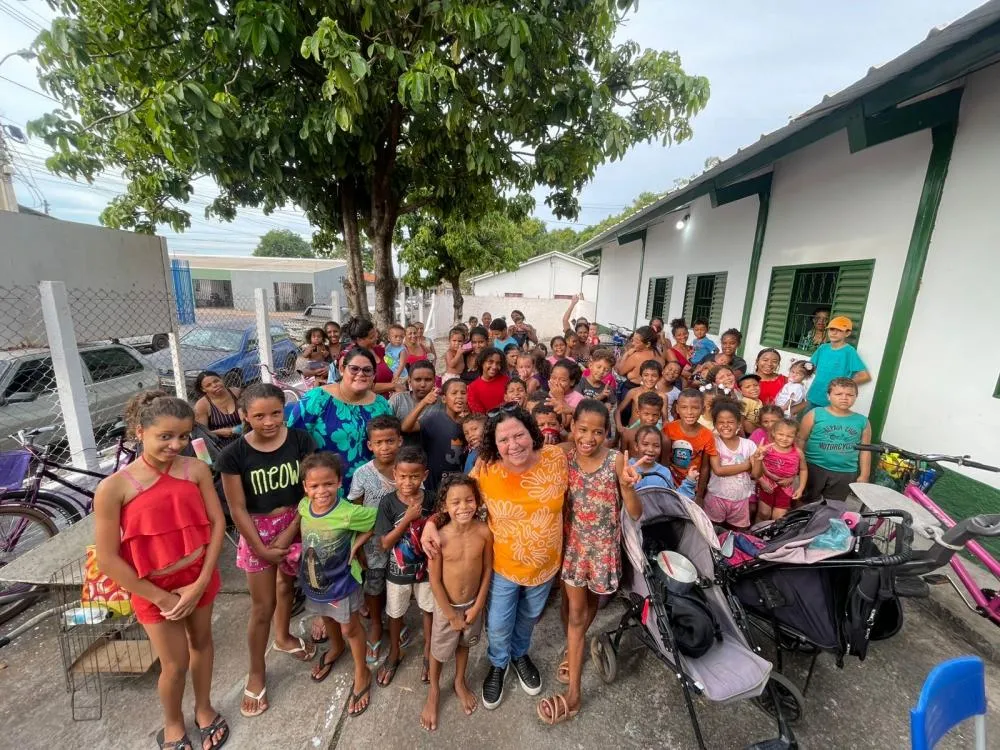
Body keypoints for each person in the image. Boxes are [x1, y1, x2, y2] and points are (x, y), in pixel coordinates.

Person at [93, 396, 229, 750]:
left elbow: (216, 524)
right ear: (140, 432)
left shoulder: (196, 469)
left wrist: (199, 584)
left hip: (199, 575)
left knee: (202, 644)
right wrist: (162, 597)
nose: (176, 445)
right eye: (165, 436)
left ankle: (203, 708)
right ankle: (172, 724)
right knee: (174, 662)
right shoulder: (114, 488)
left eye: (183, 437)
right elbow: (108, 558)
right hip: (153, 588)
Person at [422, 406, 569, 711]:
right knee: (499, 623)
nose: (513, 445)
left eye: (519, 435)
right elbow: (456, 496)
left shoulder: (556, 459)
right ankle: (499, 663)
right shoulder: (486, 470)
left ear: (533, 433)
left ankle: (519, 654)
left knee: (529, 617)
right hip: (503, 566)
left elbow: (593, 454)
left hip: (544, 565)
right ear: (494, 443)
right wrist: (431, 523)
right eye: (504, 439)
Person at [217, 384, 317, 719]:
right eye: (258, 415)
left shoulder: (301, 441)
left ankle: (285, 636)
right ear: (243, 415)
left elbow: (311, 491)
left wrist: (288, 535)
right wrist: (261, 547)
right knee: (262, 606)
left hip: (296, 522)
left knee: (287, 587)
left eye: (276, 413)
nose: (269, 421)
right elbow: (236, 508)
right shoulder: (233, 455)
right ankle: (256, 671)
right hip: (256, 532)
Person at [541, 400, 641, 725]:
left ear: (606, 434)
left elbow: (636, 513)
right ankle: (574, 692)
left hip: (603, 552)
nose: (589, 437)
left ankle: (574, 649)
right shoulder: (565, 458)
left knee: (590, 606)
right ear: (573, 427)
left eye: (598, 431)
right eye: (582, 429)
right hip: (573, 548)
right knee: (573, 612)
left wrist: (627, 487)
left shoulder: (616, 460)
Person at [297, 453, 374, 717]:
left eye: (328, 484)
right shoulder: (303, 506)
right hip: (315, 583)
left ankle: (362, 671)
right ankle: (336, 647)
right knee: (327, 619)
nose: (322, 491)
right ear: (305, 487)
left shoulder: (349, 513)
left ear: (339, 482)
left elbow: (376, 521)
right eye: (314, 486)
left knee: (350, 628)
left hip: (342, 584)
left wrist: (357, 545)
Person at [421, 474, 493, 731]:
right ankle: (434, 691)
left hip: (473, 604)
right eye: (456, 502)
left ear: (477, 502)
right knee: (439, 651)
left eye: (469, 500)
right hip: (446, 608)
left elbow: (487, 571)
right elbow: (435, 581)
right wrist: (450, 614)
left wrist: (479, 604)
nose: (464, 507)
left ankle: (459, 682)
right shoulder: (439, 537)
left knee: (465, 644)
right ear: (444, 507)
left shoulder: (485, 533)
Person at [286, 347, 393, 494]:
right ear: (342, 369)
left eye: (367, 370)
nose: (360, 374)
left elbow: (392, 443)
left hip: (372, 491)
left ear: (374, 375)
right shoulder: (317, 399)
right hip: (326, 492)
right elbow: (292, 441)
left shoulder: (381, 405)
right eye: (354, 369)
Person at [374, 447, 437, 688]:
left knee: (428, 610)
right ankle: (394, 654)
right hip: (397, 573)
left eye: (414, 476)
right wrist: (408, 519)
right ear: (394, 474)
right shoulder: (388, 502)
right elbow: (384, 543)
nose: (407, 482)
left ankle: (428, 652)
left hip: (426, 571)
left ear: (424, 475)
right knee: (395, 612)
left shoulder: (431, 498)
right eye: (402, 476)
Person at [346, 414, 403, 666]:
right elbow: (355, 512)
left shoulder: (407, 470)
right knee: (374, 586)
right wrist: (357, 547)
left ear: (400, 441)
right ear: (370, 445)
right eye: (378, 442)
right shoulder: (362, 474)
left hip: (402, 543)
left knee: (399, 586)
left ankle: (396, 623)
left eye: (390, 441)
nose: (385, 447)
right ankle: (377, 626)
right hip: (373, 545)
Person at [798, 378, 871, 502]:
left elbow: (865, 450)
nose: (844, 398)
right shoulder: (815, 414)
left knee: (834, 506)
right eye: (838, 394)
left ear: (856, 397)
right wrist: (797, 464)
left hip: (845, 472)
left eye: (849, 395)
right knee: (804, 501)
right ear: (828, 396)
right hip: (814, 466)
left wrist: (864, 474)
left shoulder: (863, 421)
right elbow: (801, 440)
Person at [402, 379, 468, 491]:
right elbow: (406, 427)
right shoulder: (434, 419)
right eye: (454, 393)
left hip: (457, 483)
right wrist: (423, 403)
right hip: (433, 483)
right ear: (444, 399)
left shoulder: (468, 424)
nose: (459, 396)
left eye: (463, 393)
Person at [703, 401, 760, 530]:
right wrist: (747, 465)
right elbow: (718, 470)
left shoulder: (749, 445)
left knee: (738, 532)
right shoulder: (714, 442)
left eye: (730, 422)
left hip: (740, 499)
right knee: (712, 530)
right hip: (717, 497)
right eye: (721, 422)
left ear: (739, 424)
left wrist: (758, 460)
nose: (726, 426)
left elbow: (755, 474)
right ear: (715, 425)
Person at [662, 388, 716, 503]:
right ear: (677, 409)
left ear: (703, 409)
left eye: (695, 408)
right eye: (684, 407)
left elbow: (705, 467)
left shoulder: (707, 435)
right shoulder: (668, 429)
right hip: (670, 482)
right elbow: (663, 460)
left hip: (692, 485)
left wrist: (700, 496)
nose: (689, 412)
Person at [806, 316, 871, 411]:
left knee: (824, 425)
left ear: (847, 333)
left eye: (839, 330)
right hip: (815, 394)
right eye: (831, 329)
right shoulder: (823, 348)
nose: (834, 332)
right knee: (808, 423)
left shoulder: (849, 351)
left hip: (833, 401)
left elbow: (865, 376)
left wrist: (843, 385)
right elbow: (811, 366)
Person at [753, 417, 807, 522]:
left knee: (778, 518)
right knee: (763, 513)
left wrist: (800, 488)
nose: (784, 438)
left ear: (795, 437)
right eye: (781, 434)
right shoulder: (766, 449)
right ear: (773, 433)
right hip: (767, 485)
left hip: (785, 488)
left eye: (789, 436)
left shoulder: (798, 452)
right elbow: (757, 469)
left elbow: (803, 469)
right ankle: (755, 535)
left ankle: (773, 537)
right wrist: (759, 456)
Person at [341, 317, 400, 396]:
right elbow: (360, 385)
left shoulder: (381, 351)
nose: (376, 338)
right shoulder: (351, 357)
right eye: (371, 337)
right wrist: (393, 386)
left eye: (375, 333)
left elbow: (394, 366)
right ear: (359, 340)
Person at [389, 360, 442, 447]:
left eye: (428, 380)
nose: (423, 384)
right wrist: (424, 402)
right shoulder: (397, 399)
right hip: (400, 455)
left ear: (434, 381)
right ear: (409, 381)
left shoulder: (440, 403)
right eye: (417, 380)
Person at [193, 371, 242, 447]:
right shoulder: (202, 405)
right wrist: (218, 432)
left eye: (216, 381)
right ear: (203, 389)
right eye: (208, 385)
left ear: (221, 379)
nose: (215, 385)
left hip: (245, 438)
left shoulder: (237, 393)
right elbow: (202, 434)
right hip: (221, 446)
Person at [614, 327, 660, 393]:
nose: (633, 344)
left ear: (648, 344)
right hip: (650, 391)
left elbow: (620, 372)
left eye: (636, 342)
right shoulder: (658, 353)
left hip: (631, 389)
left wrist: (626, 355)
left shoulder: (637, 356)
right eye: (633, 340)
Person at [620, 390, 664, 455]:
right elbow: (622, 458)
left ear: (660, 415)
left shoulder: (663, 438)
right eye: (646, 414)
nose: (650, 418)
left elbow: (663, 463)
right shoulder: (627, 435)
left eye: (655, 415)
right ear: (638, 413)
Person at [467, 348, 509, 414]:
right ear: (482, 362)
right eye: (490, 362)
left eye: (498, 363)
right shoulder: (473, 388)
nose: (494, 366)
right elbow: (479, 415)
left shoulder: (507, 381)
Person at [546, 358, 585, 429]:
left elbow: (565, 423)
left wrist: (560, 398)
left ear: (572, 381)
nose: (556, 382)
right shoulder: (550, 393)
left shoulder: (578, 399)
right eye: (553, 378)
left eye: (562, 380)